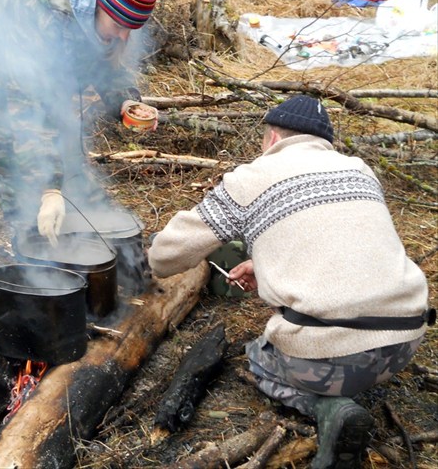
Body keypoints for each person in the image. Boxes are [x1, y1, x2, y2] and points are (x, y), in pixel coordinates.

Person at [147, 95, 433, 469]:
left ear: (272, 139)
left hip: (335, 360)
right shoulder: (360, 169)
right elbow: (338, 245)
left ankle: (329, 408)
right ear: (325, 142)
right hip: (405, 342)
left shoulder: (254, 178)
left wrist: (145, 259)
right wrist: (263, 264)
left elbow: (167, 256)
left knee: (258, 358)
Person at [0, 0, 159, 245]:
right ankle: (27, 234)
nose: (124, 36)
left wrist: (126, 100)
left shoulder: (100, 6)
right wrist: (48, 191)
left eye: (131, 29)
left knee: (61, 130)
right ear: (97, 6)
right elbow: (27, 113)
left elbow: (107, 62)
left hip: (45, 58)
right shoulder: (39, 23)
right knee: (6, 141)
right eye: (119, 25)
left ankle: (70, 207)